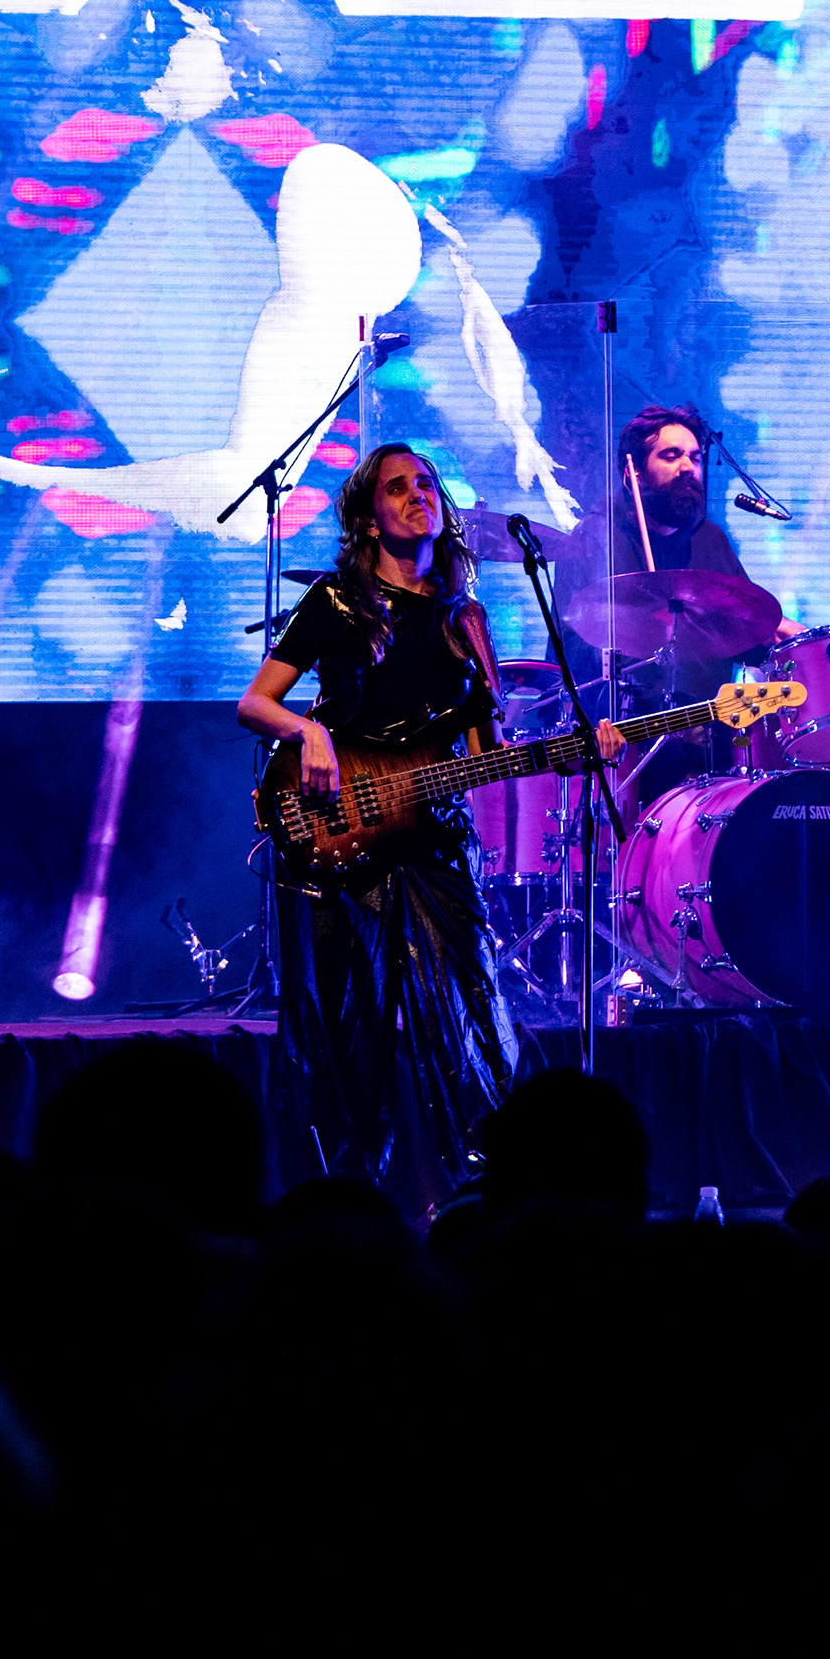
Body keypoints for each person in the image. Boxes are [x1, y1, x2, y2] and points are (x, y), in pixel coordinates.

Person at [242, 443, 611, 1219]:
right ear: (370, 519)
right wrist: (310, 734)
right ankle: (339, 1214)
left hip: (437, 838)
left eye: (427, 485)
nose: (418, 495)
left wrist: (574, 751)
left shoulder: (465, 621)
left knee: (478, 1019)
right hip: (340, 834)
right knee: (350, 1031)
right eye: (398, 488)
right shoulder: (337, 603)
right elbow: (256, 703)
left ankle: (495, 1205)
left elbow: (489, 755)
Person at [567, 403, 802, 810]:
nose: (687, 468)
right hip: (626, 742)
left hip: (710, 740)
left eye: (694, 457)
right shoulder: (597, 538)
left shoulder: (709, 540)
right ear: (633, 474)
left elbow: (750, 627)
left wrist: (802, 642)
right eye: (671, 455)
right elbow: (575, 649)